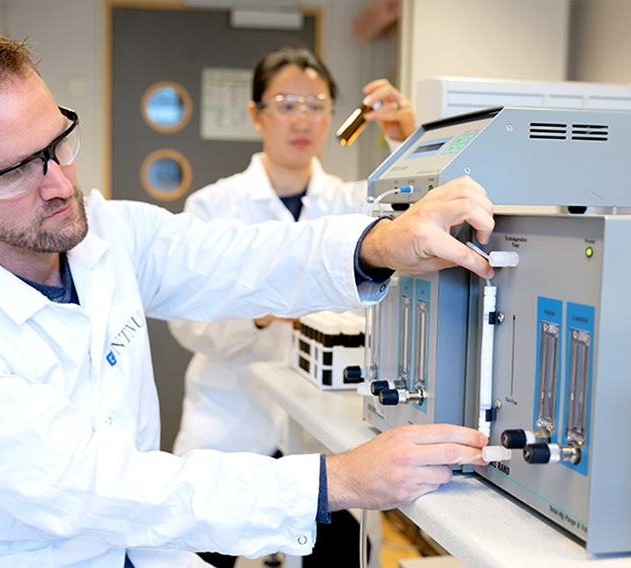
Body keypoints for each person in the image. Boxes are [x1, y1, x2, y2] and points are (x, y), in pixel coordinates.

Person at [0, 24, 495, 568]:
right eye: (14, 170)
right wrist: (340, 479)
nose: (58, 184)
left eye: (57, 145)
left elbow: (235, 257)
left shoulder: (108, 237)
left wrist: (379, 243)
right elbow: (98, 488)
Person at [167, 47, 415, 567]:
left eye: (317, 104)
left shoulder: (355, 203)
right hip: (230, 424)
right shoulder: (213, 208)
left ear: (336, 117)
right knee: (194, 549)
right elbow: (187, 322)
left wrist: (404, 137)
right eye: (286, 104)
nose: (303, 118)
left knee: (346, 549)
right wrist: (261, 311)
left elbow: (414, 221)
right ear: (256, 113)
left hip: (326, 428)